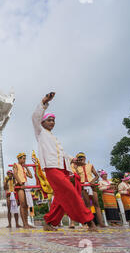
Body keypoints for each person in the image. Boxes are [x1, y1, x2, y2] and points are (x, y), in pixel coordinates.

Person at [32, 92, 96, 232]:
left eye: (53, 121)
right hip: (52, 168)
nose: (52, 123)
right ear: (42, 123)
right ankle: (89, 220)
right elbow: (35, 117)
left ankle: (49, 222)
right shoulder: (40, 133)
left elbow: (62, 153)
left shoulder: (53, 137)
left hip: (63, 168)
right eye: (49, 120)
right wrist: (44, 102)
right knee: (71, 193)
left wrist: (73, 159)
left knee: (60, 199)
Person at [71, 153, 106, 227]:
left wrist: (92, 181)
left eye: (82, 158)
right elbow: (75, 177)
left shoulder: (90, 165)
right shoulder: (76, 167)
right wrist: (75, 166)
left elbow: (96, 175)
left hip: (92, 185)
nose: (81, 159)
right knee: (87, 205)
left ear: (85, 158)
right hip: (83, 186)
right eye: (79, 158)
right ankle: (90, 223)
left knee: (96, 205)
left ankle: (101, 223)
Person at [13, 153, 35, 229]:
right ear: (19, 159)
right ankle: (24, 224)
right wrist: (20, 183)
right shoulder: (16, 164)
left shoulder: (23, 168)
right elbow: (15, 174)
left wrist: (26, 167)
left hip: (25, 186)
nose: (24, 160)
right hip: (20, 186)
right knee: (22, 204)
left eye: (25, 159)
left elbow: (31, 176)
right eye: (23, 158)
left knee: (26, 205)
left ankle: (27, 223)